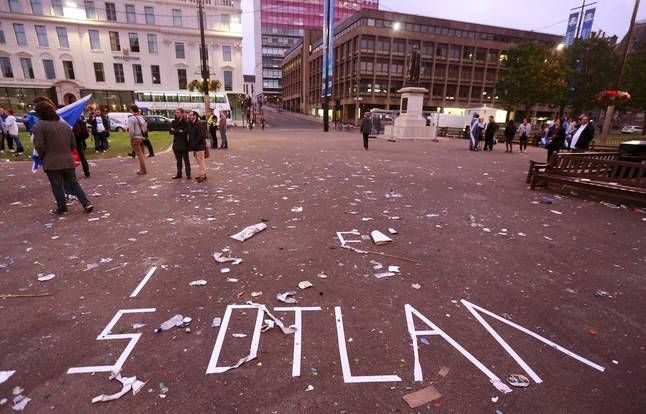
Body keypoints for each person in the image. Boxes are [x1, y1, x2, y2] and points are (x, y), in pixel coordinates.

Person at [32, 100, 93, 215]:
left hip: (51, 161)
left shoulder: (39, 126)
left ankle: (62, 207)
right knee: (73, 183)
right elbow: (73, 144)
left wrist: (43, 155)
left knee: (57, 185)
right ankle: (86, 203)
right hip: (67, 159)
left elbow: (39, 145)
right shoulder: (65, 125)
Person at [126, 105, 148, 175]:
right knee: (142, 154)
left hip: (135, 137)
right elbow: (145, 128)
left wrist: (131, 138)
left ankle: (143, 170)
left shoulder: (131, 118)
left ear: (131, 110)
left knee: (139, 155)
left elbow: (131, 130)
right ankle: (142, 169)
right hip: (142, 137)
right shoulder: (141, 117)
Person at [170, 108, 190, 179]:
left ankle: (188, 174)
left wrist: (175, 130)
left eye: (178, 112)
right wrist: (179, 131)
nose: (176, 114)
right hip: (176, 144)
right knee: (178, 161)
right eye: (176, 112)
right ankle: (179, 174)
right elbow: (170, 131)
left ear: (182, 113)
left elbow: (184, 133)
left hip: (184, 144)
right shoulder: (174, 122)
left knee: (186, 160)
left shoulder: (186, 122)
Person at [187, 110, 207, 182]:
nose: (189, 116)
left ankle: (202, 175)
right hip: (195, 146)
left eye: (191, 115)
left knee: (200, 161)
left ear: (195, 116)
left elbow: (201, 136)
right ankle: (202, 174)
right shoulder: (192, 123)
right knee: (200, 161)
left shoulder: (198, 124)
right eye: (189, 115)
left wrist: (195, 143)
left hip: (200, 146)